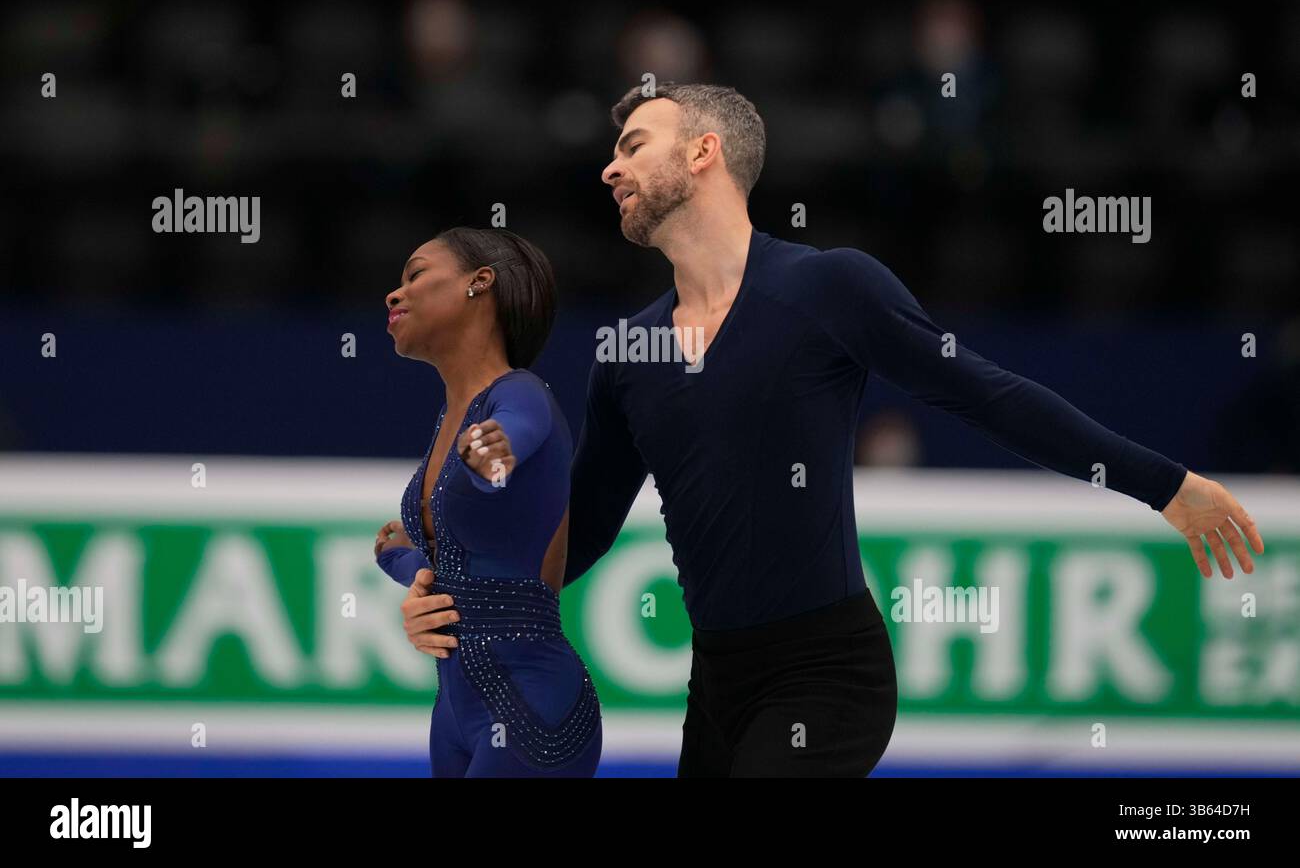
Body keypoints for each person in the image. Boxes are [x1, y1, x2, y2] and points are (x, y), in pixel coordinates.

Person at [402, 83, 1265, 778]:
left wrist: (1166, 485)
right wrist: (443, 591)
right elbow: (570, 536)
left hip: (827, 675)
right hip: (717, 687)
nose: (608, 169)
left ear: (703, 153)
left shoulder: (829, 288)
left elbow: (990, 396)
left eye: (633, 146)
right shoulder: (627, 357)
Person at [374, 225, 601, 778]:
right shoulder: (448, 418)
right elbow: (454, 556)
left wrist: (496, 455)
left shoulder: (519, 393)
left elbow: (510, 441)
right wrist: (404, 565)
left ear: (480, 283)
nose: (393, 293)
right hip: (454, 714)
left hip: (529, 708)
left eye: (416, 274)